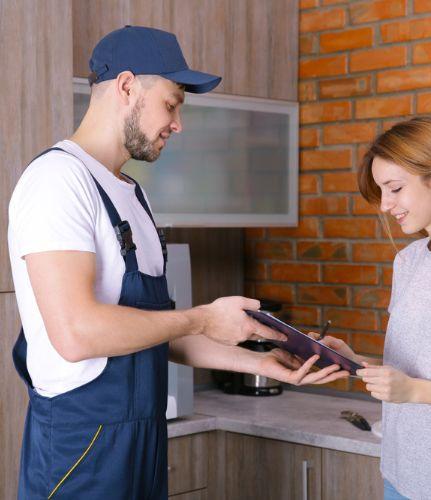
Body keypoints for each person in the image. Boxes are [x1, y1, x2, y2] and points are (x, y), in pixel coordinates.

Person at [8, 26, 347, 499]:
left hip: (141, 442)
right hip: (80, 447)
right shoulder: (58, 182)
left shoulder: (134, 196)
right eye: (172, 103)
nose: (178, 123)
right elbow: (77, 333)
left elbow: (158, 332)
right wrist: (206, 318)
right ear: (127, 87)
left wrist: (266, 364)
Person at [318, 116, 431, 499]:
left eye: (395, 188)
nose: (385, 205)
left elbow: (415, 387)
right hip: (401, 477)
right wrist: (355, 362)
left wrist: (413, 391)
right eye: (381, 191)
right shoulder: (409, 262)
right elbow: (417, 370)